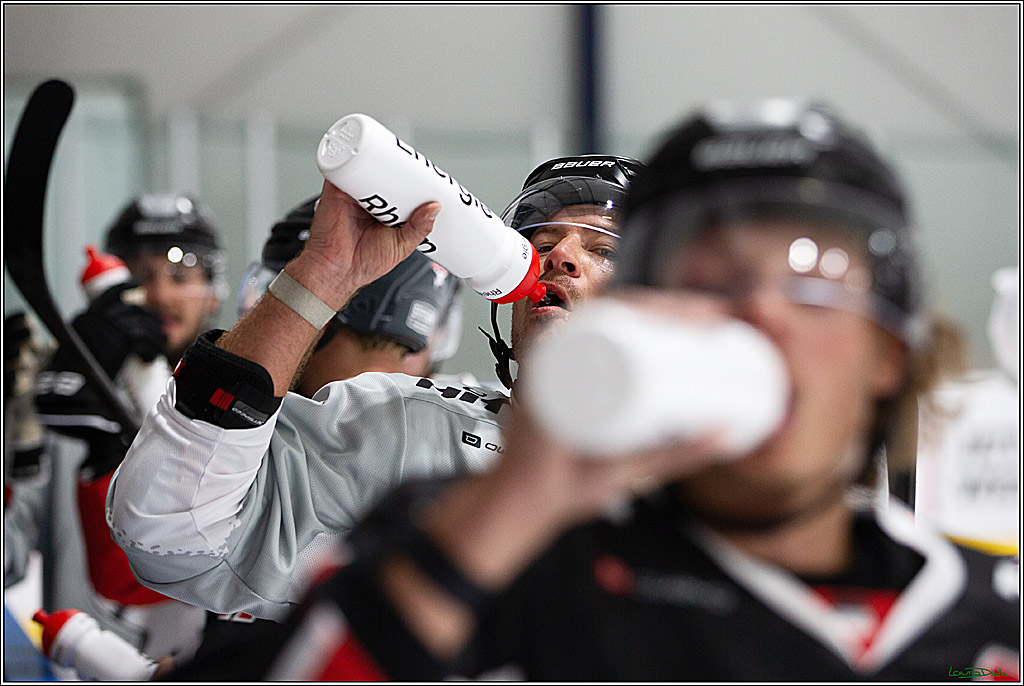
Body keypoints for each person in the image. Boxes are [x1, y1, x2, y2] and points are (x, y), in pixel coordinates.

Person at [171, 100, 1018, 681]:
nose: (761, 312)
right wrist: (492, 525)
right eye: (711, 277)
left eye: (812, 277)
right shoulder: (498, 554)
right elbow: (181, 548)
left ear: (890, 352)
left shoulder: (991, 623)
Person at [106, 155, 643, 622]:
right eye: (542, 241)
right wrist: (322, 275)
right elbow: (169, 532)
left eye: (605, 250)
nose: (559, 256)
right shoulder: (403, 429)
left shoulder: (712, 474)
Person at [21, 193, 225, 663]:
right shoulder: (60, 397)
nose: (158, 295)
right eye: (138, 275)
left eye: (180, 274)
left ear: (213, 290)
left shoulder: (246, 406)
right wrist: (19, 445)